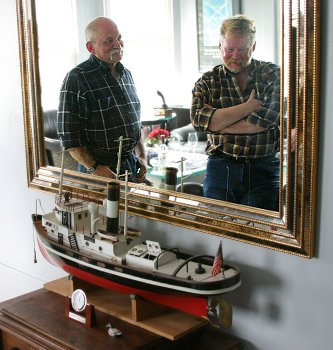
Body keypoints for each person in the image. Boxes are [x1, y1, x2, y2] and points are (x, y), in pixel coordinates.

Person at [191, 14, 280, 211]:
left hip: (263, 169)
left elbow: (264, 122)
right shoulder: (207, 81)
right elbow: (199, 121)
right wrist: (248, 108)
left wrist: (219, 125)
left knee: (258, 234)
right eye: (229, 49)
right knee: (216, 230)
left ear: (253, 47)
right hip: (220, 167)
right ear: (220, 46)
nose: (235, 56)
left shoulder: (272, 75)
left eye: (242, 50)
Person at [57, 17, 147, 182]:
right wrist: (94, 167)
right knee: (99, 210)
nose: (118, 45)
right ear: (91, 47)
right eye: (109, 41)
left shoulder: (126, 74)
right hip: (99, 170)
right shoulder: (77, 78)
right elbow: (69, 136)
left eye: (119, 38)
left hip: (131, 165)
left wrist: (141, 156)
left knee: (131, 209)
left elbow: (135, 122)